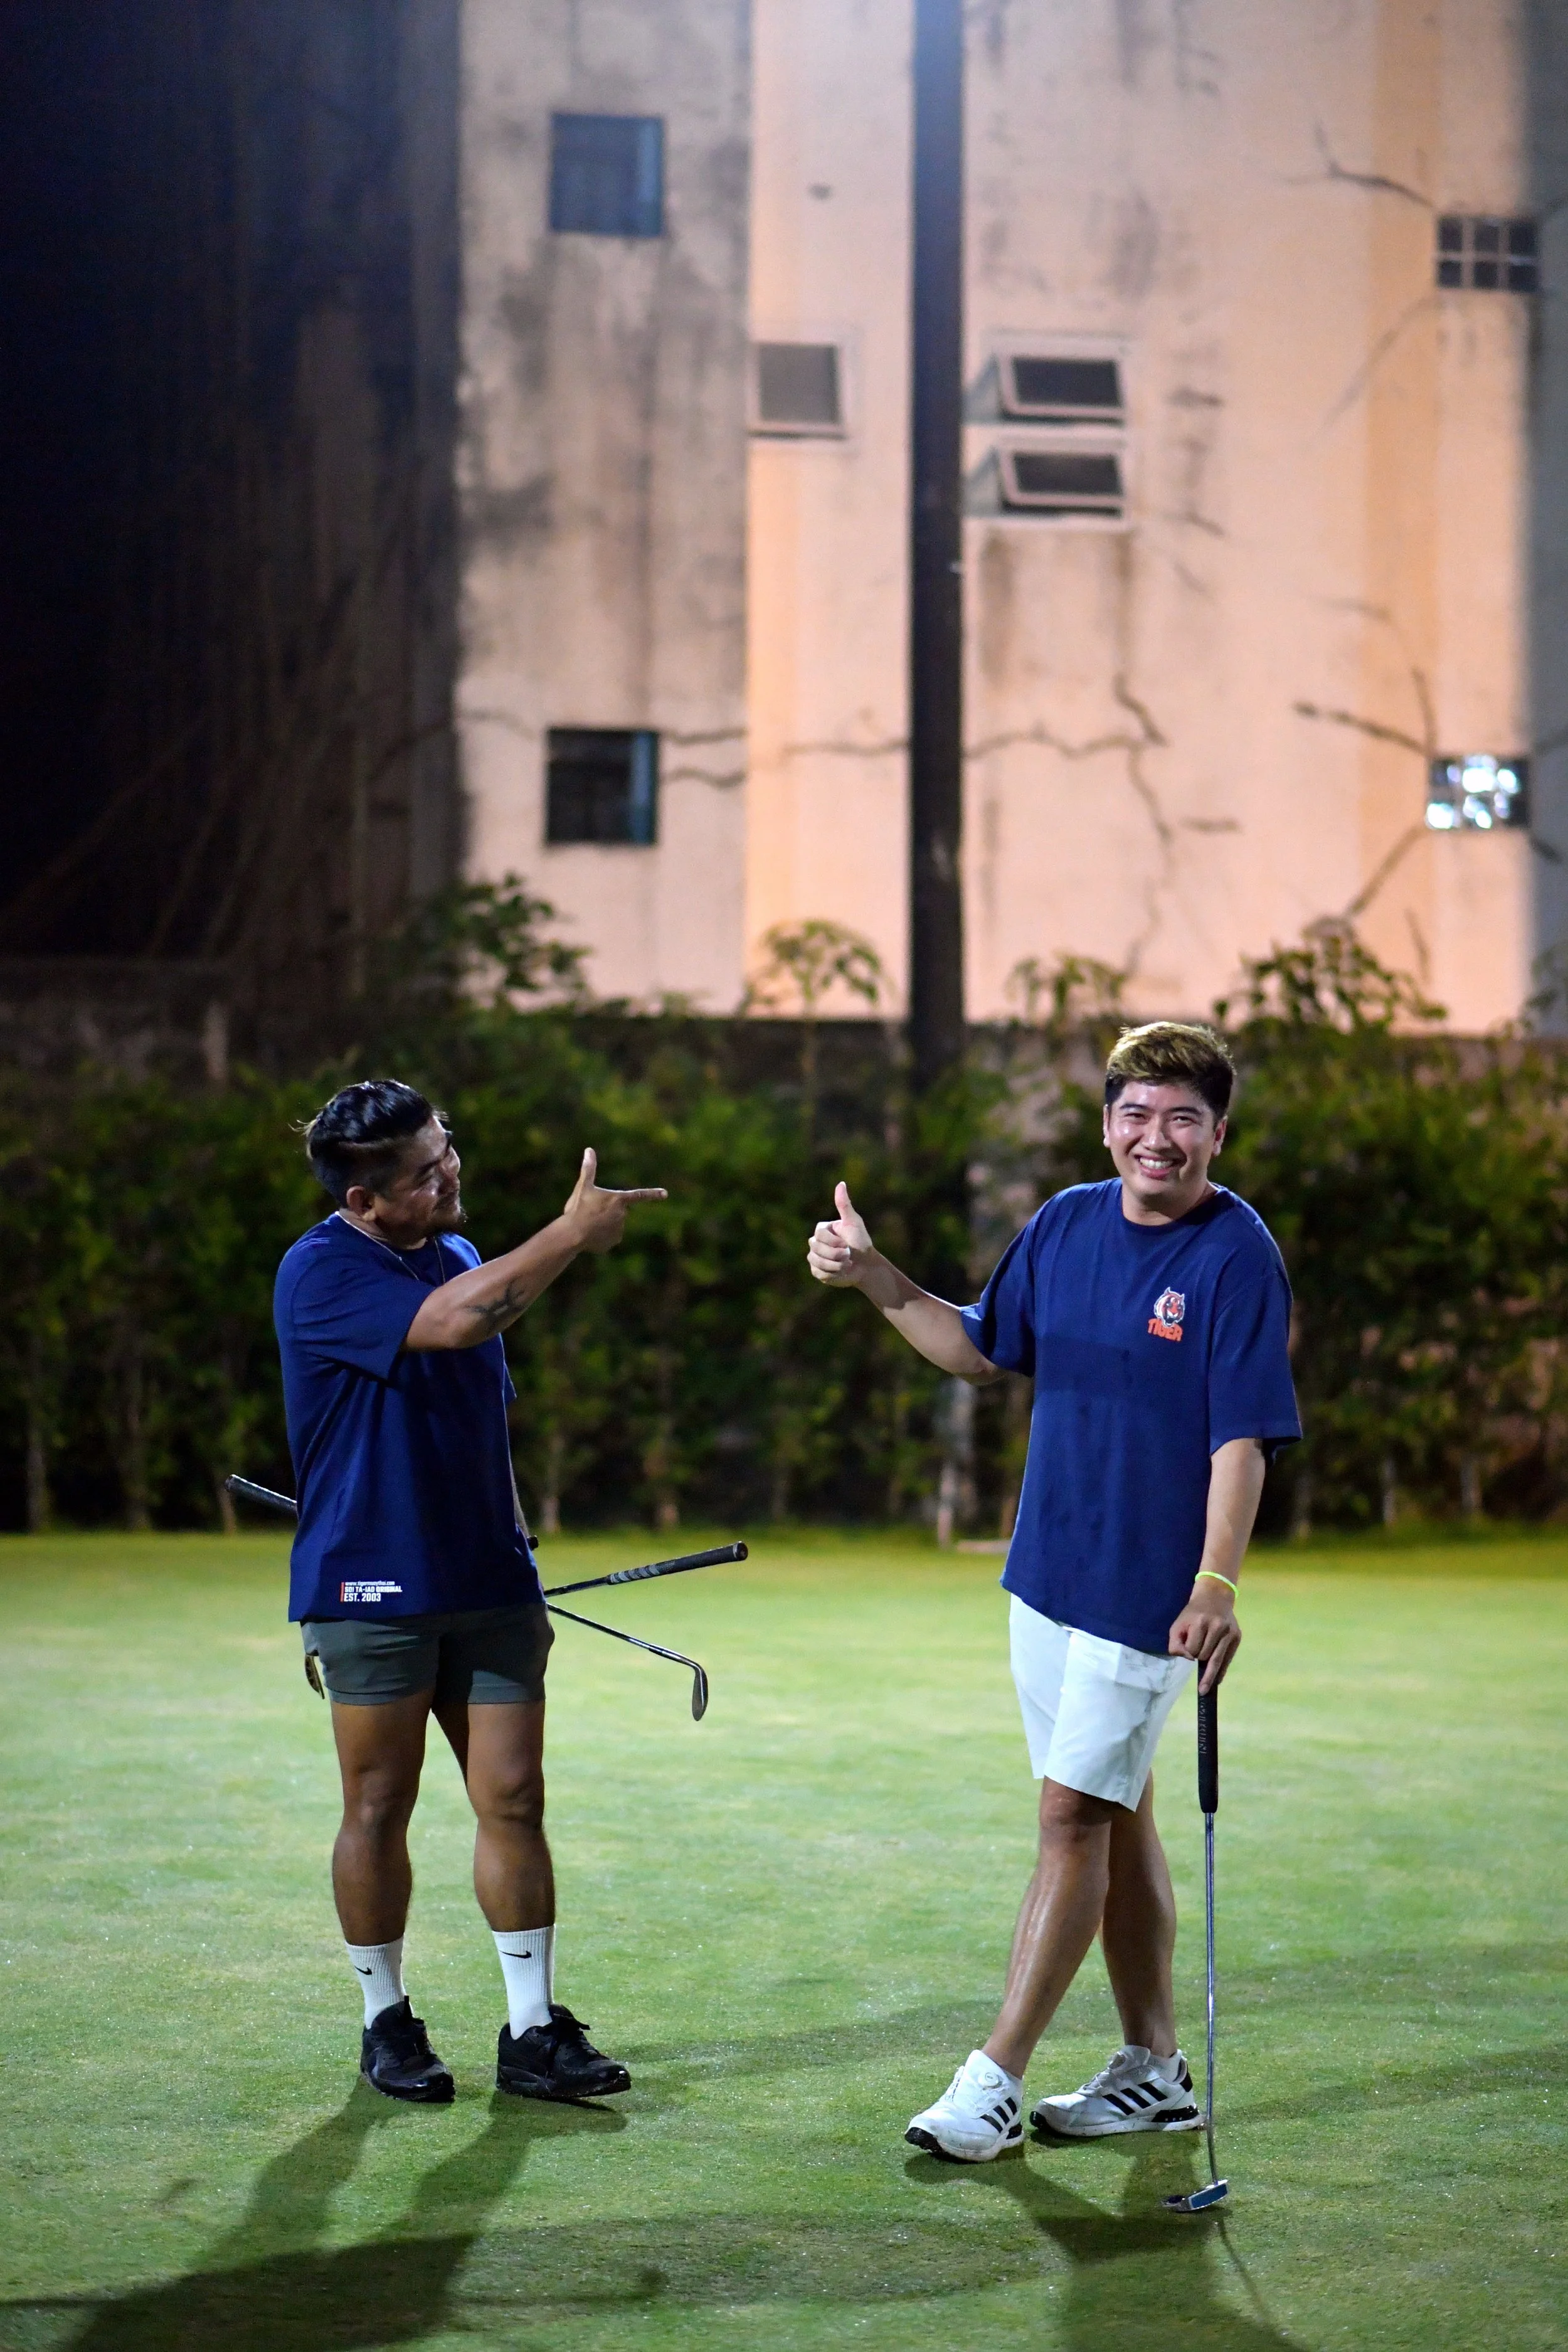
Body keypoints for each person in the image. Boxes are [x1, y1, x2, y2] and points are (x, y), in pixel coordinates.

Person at [806, 1021, 1300, 2161]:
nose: (1156, 1137)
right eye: (1136, 1113)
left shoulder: (1235, 1253)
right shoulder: (1069, 1220)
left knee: (1070, 1818)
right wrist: (876, 1277)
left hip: (1148, 1593)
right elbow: (980, 1346)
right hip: (1044, 1578)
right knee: (1116, 1817)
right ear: (1109, 1124)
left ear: (1218, 1132)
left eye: (1183, 1117)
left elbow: (1243, 1437)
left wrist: (1217, 1579)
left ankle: (992, 2083)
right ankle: (1156, 2068)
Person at [273, 1079, 665, 2105]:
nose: (451, 1172)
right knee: (378, 1804)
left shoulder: (453, 1250)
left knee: (515, 1797)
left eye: (448, 1147)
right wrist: (571, 1236)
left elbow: (481, 1373)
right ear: (364, 1199)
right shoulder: (321, 1270)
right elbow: (451, 1323)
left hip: (489, 1579)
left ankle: (533, 2031)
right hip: (371, 1591)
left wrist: (512, 1550)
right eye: (424, 1170)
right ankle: (386, 2022)